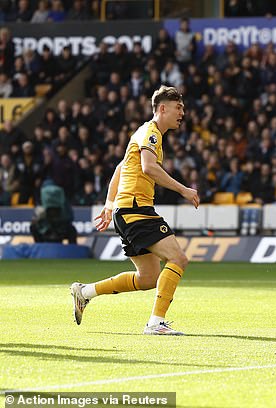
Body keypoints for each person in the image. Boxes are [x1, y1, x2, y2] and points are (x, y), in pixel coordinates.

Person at [70, 86, 200, 335]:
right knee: (178, 259)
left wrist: (110, 204)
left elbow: (121, 168)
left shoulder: (143, 133)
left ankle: (84, 292)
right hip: (136, 209)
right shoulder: (151, 133)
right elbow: (149, 168)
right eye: (178, 108)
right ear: (162, 108)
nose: (182, 113)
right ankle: (156, 323)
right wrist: (184, 189)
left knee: (148, 278)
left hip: (125, 210)